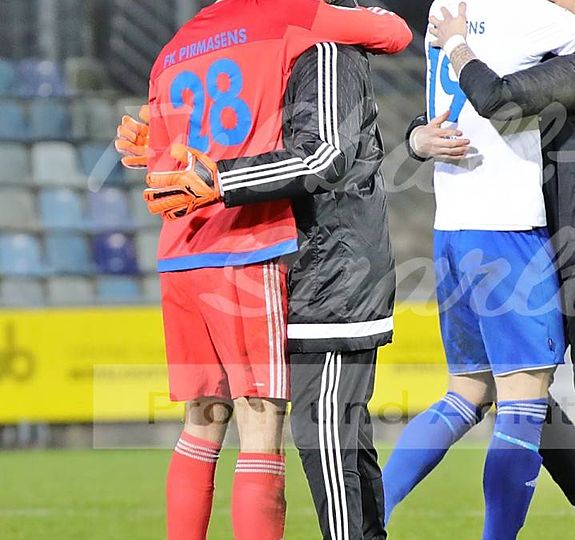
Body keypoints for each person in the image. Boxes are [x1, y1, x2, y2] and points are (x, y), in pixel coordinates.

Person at [119, 1, 411, 538]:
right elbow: (393, 34)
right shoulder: (287, 15)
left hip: (180, 250)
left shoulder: (176, 44)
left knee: (201, 423)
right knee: (260, 424)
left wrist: (148, 146)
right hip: (244, 242)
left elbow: (161, 155)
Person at [381, 1, 575, 539]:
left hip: (451, 226)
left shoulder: (443, 9)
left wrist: (414, 139)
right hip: (507, 231)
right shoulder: (524, 13)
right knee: (524, 404)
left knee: (466, 393)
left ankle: (366, 517)